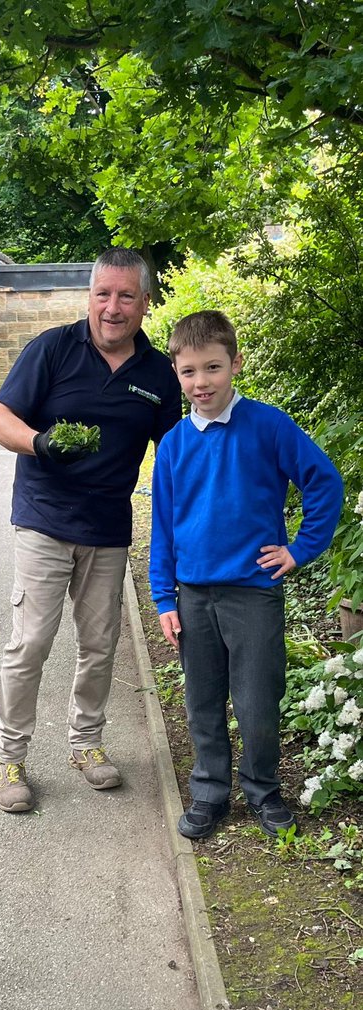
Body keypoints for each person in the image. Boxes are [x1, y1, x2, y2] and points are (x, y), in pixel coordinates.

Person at [0, 247, 182, 812]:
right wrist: (39, 443)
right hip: (44, 520)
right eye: (103, 294)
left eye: (126, 296)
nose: (112, 307)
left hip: (107, 527)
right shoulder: (52, 348)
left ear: (145, 302)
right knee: (31, 643)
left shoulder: (157, 374)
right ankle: (11, 757)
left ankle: (87, 745)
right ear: (89, 296)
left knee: (100, 646)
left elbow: (177, 452)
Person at [149, 310, 343, 840]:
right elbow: (162, 528)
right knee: (202, 700)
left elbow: (324, 484)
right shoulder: (172, 446)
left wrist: (299, 550)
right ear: (176, 373)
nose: (201, 382)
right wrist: (164, 598)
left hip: (253, 593)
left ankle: (263, 788)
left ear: (235, 364)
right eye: (188, 372)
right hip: (192, 596)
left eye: (212, 368)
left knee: (257, 699)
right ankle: (210, 791)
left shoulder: (268, 425)